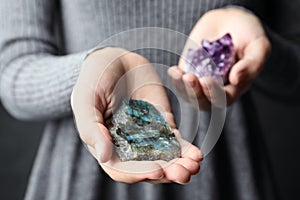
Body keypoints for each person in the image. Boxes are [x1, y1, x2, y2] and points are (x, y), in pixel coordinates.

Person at [0, 0, 299, 199]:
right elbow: (12, 68)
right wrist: (88, 70)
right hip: (86, 171)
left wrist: (261, 47)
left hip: (229, 172)